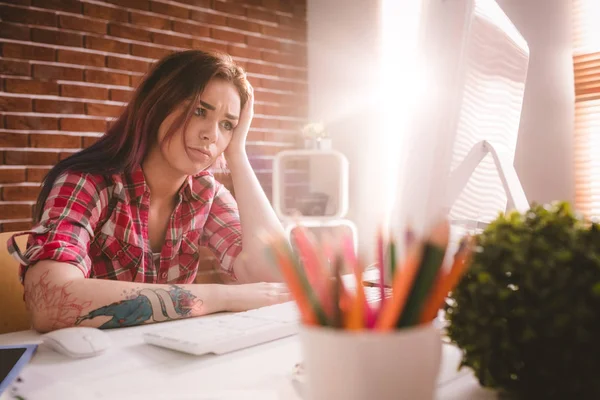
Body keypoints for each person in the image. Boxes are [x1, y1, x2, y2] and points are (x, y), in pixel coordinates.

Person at [7, 50, 291, 333]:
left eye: (227, 124)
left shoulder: (206, 192)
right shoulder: (89, 182)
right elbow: (51, 303)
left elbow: (276, 277)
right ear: (158, 106)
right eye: (199, 111)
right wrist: (222, 296)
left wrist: (238, 154)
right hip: (83, 364)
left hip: (161, 359)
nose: (212, 135)